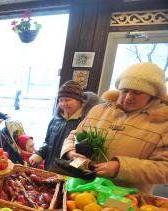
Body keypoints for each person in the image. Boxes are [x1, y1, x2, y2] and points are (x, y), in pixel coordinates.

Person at [61, 62, 168, 194]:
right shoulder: (98, 110)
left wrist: (120, 168)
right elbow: (74, 135)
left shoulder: (163, 123)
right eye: (125, 91)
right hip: (81, 188)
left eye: (137, 93)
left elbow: (164, 168)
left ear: (152, 95)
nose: (128, 97)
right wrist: (70, 151)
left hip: (124, 199)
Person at [29, 81, 100, 171]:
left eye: (67, 100)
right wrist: (38, 155)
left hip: (70, 174)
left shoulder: (86, 122)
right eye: (61, 100)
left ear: (79, 101)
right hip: (50, 170)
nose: (63, 103)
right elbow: (47, 143)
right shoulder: (55, 120)